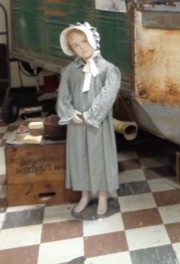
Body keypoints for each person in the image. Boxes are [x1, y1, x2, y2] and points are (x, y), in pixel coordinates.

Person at [57, 22, 121, 218]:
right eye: (76, 45)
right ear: (71, 48)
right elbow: (63, 95)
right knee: (79, 157)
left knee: (99, 155)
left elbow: (106, 97)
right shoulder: (70, 71)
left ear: (93, 39)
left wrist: (91, 116)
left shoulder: (109, 70)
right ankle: (84, 194)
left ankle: (102, 195)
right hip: (77, 123)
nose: (82, 47)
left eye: (84, 41)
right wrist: (69, 113)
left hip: (97, 124)